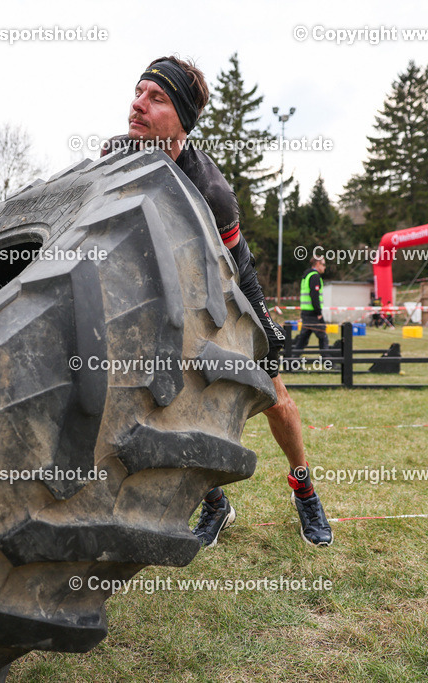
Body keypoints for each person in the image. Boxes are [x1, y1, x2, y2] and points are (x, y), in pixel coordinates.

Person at [103, 56, 332, 547]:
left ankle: (305, 491)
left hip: (223, 296)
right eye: (138, 92)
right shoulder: (113, 157)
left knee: (276, 401)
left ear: (183, 120)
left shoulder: (212, 192)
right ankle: (215, 503)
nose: (138, 104)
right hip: (161, 303)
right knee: (172, 412)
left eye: (156, 98)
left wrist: (264, 325)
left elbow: (239, 267)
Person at [294, 256, 330, 354]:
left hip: (306, 312)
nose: (325, 267)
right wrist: (318, 313)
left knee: (303, 339)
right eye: (323, 264)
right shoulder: (314, 276)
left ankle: (292, 359)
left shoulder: (307, 275)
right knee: (323, 337)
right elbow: (314, 296)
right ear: (317, 264)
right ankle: (327, 360)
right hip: (313, 313)